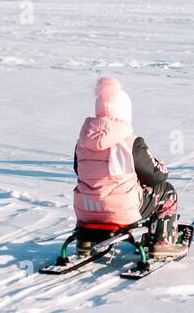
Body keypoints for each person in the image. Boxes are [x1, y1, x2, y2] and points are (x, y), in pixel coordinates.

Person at [71, 76, 185, 258]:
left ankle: (85, 240)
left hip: (85, 208)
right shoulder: (131, 142)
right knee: (167, 191)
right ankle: (163, 242)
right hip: (121, 211)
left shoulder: (81, 143)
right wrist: (162, 167)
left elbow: (80, 171)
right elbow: (154, 177)